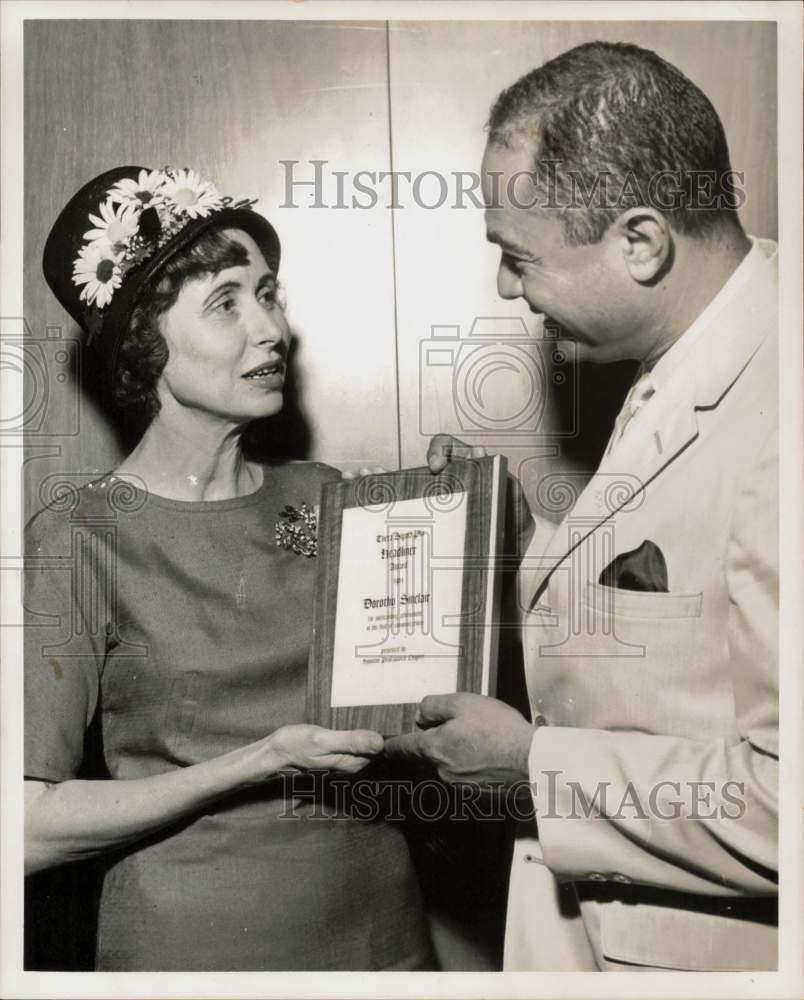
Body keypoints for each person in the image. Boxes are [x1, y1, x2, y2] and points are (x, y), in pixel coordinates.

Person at [387, 41, 778, 972]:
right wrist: (531, 544)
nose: (505, 289)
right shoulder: (691, 357)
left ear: (641, 242)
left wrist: (533, 767)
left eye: (518, 259)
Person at [24, 165, 434, 971]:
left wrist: (466, 510)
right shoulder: (80, 538)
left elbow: (426, 707)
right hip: (200, 952)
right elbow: (24, 829)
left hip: (385, 937)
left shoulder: (328, 498)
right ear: (146, 345)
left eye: (269, 294)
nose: (271, 329)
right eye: (226, 303)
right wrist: (260, 759)